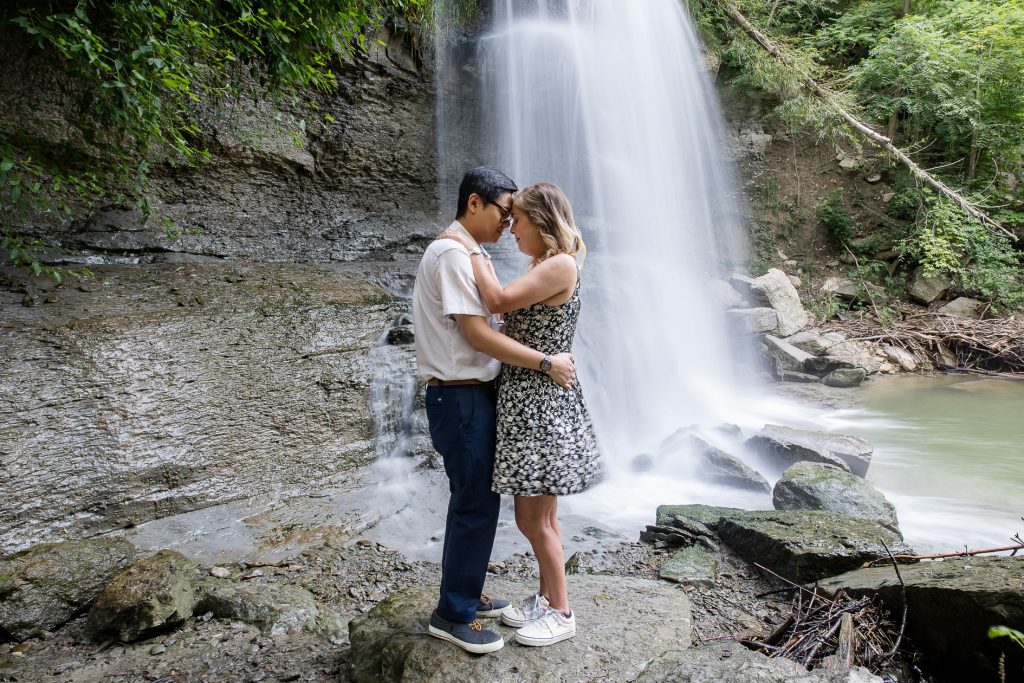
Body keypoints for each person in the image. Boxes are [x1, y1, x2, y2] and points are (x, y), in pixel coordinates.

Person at [412, 167, 577, 655]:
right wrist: (547, 362)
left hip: (477, 392)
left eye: (516, 217)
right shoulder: (452, 254)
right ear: (474, 204)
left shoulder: (472, 254)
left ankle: (466, 594)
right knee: (475, 502)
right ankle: (453, 614)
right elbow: (478, 334)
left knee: (479, 499)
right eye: (505, 212)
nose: (509, 224)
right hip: (460, 394)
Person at [439, 182, 602, 648]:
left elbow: (496, 302)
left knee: (534, 520)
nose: (511, 230)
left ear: (544, 222)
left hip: (540, 404)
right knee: (542, 517)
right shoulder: (547, 264)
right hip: (529, 397)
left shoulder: (561, 264)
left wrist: (468, 248)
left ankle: (563, 612)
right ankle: (549, 597)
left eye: (519, 221)